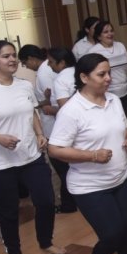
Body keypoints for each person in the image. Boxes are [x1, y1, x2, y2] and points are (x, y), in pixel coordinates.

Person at [48, 53, 127, 254]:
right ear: (83, 77)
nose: (108, 78)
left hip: (121, 178)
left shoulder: (112, 100)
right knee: (112, 234)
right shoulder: (72, 110)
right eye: (101, 74)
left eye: (109, 72)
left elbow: (124, 129)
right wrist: (92, 156)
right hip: (90, 186)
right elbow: (55, 149)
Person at [0, 40, 65, 254]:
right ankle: (14, 252)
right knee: (7, 210)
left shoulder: (24, 85)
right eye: (5, 56)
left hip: (31, 156)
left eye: (13, 55)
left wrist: (40, 134)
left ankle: (45, 241)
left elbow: (31, 113)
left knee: (46, 201)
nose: (12, 60)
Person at [46, 47, 77, 212]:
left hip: (67, 131)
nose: (49, 65)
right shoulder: (80, 72)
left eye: (51, 62)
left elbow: (67, 110)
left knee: (63, 168)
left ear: (62, 62)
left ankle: (69, 203)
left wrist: (52, 109)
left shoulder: (60, 79)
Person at [88, 19, 127, 117]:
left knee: (124, 119)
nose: (110, 34)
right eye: (106, 32)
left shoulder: (120, 46)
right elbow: (92, 74)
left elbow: (126, 68)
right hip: (107, 93)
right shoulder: (94, 51)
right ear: (98, 36)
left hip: (124, 90)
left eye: (111, 31)